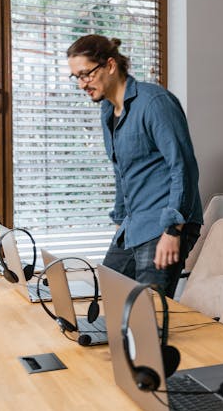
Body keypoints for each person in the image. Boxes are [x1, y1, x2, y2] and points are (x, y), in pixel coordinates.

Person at [67, 35, 203, 297]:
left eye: (86, 74)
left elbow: (183, 166)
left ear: (109, 65)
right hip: (134, 224)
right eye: (77, 78)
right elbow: (122, 173)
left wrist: (173, 229)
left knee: (146, 314)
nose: (82, 84)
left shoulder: (154, 103)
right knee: (110, 296)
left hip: (164, 223)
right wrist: (120, 221)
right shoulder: (108, 111)